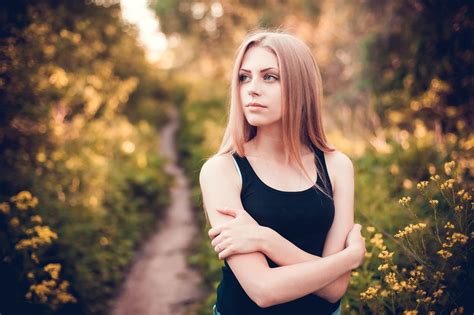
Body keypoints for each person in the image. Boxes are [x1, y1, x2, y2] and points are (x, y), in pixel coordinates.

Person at [199, 29, 367, 315]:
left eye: (270, 77)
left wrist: (266, 239)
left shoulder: (336, 166)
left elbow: (334, 291)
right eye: (244, 77)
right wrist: (350, 257)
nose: (252, 88)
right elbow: (264, 290)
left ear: (300, 86)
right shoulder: (222, 170)